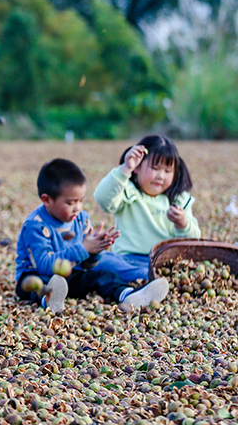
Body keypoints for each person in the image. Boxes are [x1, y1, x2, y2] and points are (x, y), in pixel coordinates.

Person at [15, 158, 169, 313]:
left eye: (81, 201)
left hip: (72, 275)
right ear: (47, 200)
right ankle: (50, 299)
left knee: (103, 275)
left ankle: (129, 295)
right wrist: (83, 249)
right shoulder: (35, 225)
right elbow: (44, 265)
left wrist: (95, 252)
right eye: (70, 203)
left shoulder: (81, 218)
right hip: (37, 275)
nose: (77, 208)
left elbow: (88, 265)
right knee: (35, 284)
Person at [93, 134, 200, 282]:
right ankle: (151, 280)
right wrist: (125, 169)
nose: (161, 176)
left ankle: (151, 280)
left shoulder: (179, 199)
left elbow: (194, 239)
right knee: (99, 259)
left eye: (168, 171)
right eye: (155, 168)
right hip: (127, 260)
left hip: (165, 262)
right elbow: (102, 199)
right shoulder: (127, 192)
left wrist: (182, 223)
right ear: (137, 168)